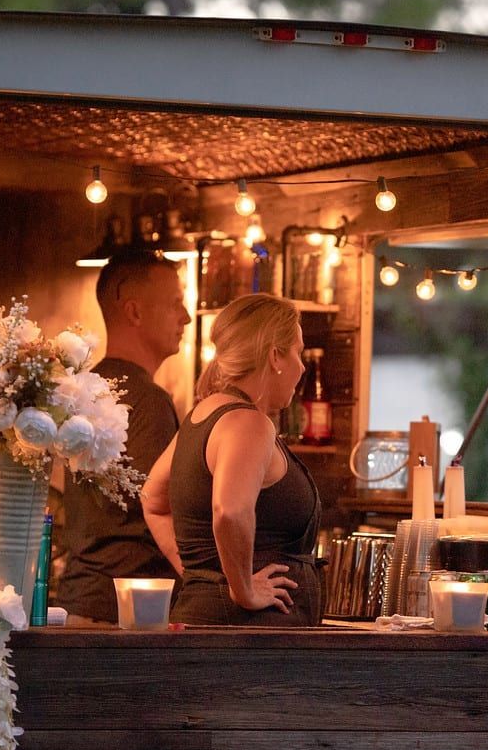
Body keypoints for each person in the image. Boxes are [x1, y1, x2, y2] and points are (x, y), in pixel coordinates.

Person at [142, 294, 322, 626]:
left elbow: (152, 499)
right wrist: (244, 591)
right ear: (275, 356)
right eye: (298, 352)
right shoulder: (249, 423)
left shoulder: (202, 414)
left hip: (213, 621)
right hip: (248, 635)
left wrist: (203, 576)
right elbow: (231, 510)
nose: (302, 367)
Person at [54, 251, 191, 624]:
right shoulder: (148, 401)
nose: (186, 317)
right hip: (124, 612)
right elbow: (165, 506)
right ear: (134, 312)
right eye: (175, 303)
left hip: (81, 599)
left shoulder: (84, 390)